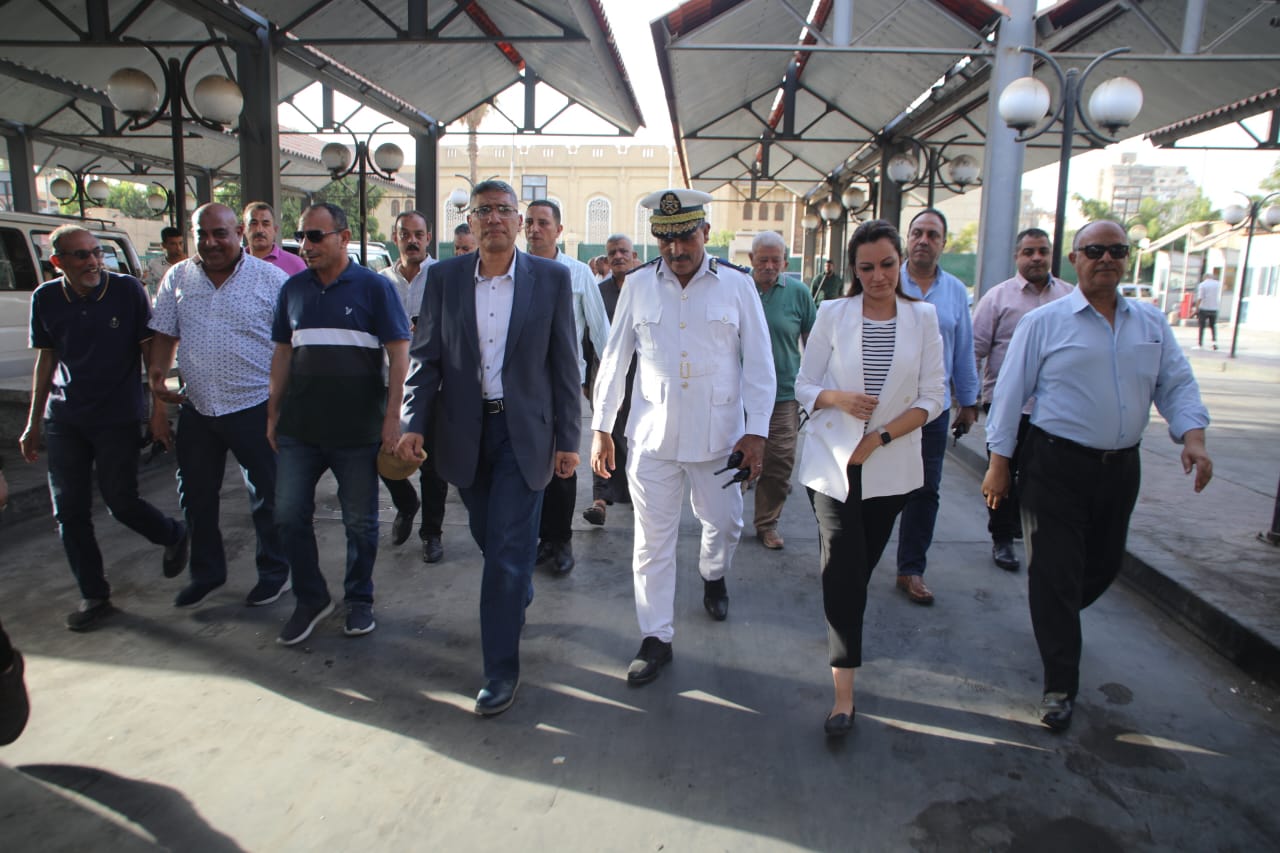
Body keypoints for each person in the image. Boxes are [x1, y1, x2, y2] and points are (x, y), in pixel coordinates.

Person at [982, 220, 1212, 732]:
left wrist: (1193, 438)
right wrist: (999, 464)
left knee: (1104, 565)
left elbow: (1176, 383)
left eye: (1117, 250)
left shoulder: (1150, 323)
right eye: (1095, 251)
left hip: (1120, 469)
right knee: (1055, 572)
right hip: (1054, 466)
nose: (1106, 258)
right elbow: (1010, 394)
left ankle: (1054, 611)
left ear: (1126, 258)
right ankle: (1060, 685)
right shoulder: (1044, 323)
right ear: (1075, 258)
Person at [396, 180, 580, 716]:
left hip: (526, 435)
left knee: (503, 554)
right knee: (487, 535)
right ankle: (516, 584)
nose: (494, 218)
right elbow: (426, 358)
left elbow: (564, 364)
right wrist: (412, 421)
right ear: (470, 222)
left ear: (519, 221)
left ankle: (500, 670)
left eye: (504, 210)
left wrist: (569, 438)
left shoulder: (550, 278)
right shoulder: (445, 279)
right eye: (483, 211)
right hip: (464, 432)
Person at [591, 188, 775, 686]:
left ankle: (713, 573)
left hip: (720, 440)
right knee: (652, 543)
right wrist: (602, 427)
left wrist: (756, 432)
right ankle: (656, 637)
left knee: (726, 524)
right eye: (665, 239)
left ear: (705, 233)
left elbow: (760, 363)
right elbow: (615, 359)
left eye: (686, 237)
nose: (676, 250)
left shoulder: (737, 286)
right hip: (653, 438)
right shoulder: (638, 285)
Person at [795, 219, 944, 737]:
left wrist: (879, 437)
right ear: (853, 270)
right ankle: (844, 696)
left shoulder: (923, 318)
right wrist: (838, 398)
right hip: (832, 464)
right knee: (842, 568)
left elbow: (933, 396)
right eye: (866, 267)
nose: (878, 276)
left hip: (890, 468)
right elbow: (804, 383)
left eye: (887, 264)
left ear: (900, 262)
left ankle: (843, 623)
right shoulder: (833, 313)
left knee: (856, 571)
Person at [21, 225, 188, 631]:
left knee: (121, 501)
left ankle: (172, 534)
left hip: (117, 416)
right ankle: (94, 595)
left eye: (97, 253)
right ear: (58, 261)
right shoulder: (45, 298)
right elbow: (46, 360)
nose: (94, 262)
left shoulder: (126, 290)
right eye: (82, 255)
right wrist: (33, 422)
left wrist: (157, 410)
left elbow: (150, 354)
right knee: (69, 511)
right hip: (65, 420)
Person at [268, 203, 410, 645]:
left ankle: (359, 598)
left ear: (344, 237)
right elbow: (283, 353)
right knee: (288, 516)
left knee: (360, 523)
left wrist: (392, 420)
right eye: (301, 236)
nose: (305, 245)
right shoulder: (293, 290)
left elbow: (399, 355)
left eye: (315, 236)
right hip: (299, 430)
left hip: (357, 432)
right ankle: (311, 598)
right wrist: (272, 413)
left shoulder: (374, 288)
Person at [148, 203, 291, 608]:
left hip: (255, 406)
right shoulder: (178, 276)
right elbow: (165, 333)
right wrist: (157, 376)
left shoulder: (271, 279)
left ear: (239, 233)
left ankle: (275, 572)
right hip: (198, 407)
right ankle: (207, 573)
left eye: (220, 234)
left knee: (268, 496)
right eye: (202, 234)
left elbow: (291, 345)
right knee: (195, 496)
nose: (210, 242)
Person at [971, 228, 1073, 572]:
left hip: (1055, 409)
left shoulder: (1070, 297)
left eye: (1042, 251)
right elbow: (975, 350)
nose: (1036, 258)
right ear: (1017, 257)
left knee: (1045, 478)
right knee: (1002, 473)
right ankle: (1002, 538)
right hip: (1007, 406)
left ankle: (1038, 537)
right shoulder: (998, 299)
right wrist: (969, 400)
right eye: (1029, 252)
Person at [894, 208, 980, 604]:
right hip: (886, 408)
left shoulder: (956, 292)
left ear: (944, 243)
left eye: (932, 235)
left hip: (933, 410)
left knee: (925, 490)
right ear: (907, 238)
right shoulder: (887, 280)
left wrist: (969, 401)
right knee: (873, 488)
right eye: (917, 233)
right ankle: (858, 560)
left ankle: (911, 568)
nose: (923, 240)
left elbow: (963, 350)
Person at [524, 199, 610, 576]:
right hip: (521, 387)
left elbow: (601, 333)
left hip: (563, 385)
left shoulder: (578, 274)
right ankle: (539, 538)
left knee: (563, 462)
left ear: (559, 230)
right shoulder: (512, 270)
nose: (534, 229)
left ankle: (560, 540)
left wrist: (609, 389)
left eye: (543, 223)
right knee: (528, 462)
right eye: (529, 222)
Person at [378, 210, 450, 563]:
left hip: (431, 386)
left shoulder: (443, 277)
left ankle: (431, 533)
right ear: (395, 238)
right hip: (385, 382)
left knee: (432, 464)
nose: (412, 240)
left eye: (419, 234)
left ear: (429, 238)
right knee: (378, 453)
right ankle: (406, 503)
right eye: (405, 234)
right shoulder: (380, 282)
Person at [749, 231, 815, 550]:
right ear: (751, 260)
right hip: (738, 395)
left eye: (776, 260)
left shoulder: (799, 294)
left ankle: (767, 523)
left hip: (784, 395)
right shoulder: (738, 289)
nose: (769, 266)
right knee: (728, 460)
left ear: (785, 263)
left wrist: (815, 390)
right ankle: (723, 523)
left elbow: (814, 343)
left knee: (778, 463)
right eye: (763, 259)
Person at [583, 234, 639, 527]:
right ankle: (600, 500)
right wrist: (586, 379)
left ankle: (637, 495)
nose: (618, 257)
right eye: (612, 253)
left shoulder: (644, 290)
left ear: (634, 256)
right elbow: (587, 337)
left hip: (639, 380)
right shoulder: (598, 293)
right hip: (602, 376)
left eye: (623, 251)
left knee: (633, 437)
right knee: (603, 432)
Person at [243, 201, 307, 276]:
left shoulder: (295, 264)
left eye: (265, 224)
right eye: (254, 223)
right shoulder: (236, 263)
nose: (259, 230)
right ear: (244, 229)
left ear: (275, 230)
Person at [144, 226, 187, 299]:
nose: (178, 248)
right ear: (164, 245)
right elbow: (140, 284)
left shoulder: (191, 264)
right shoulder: (155, 264)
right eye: (173, 244)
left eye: (180, 243)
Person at [1194, 270, 1222, 350]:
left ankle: (1200, 344)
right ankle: (1214, 343)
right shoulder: (1217, 284)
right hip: (1214, 308)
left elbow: (1200, 297)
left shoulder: (1202, 285)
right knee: (1213, 326)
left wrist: (1196, 308)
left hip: (1204, 308)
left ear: (1204, 278)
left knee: (1201, 327)